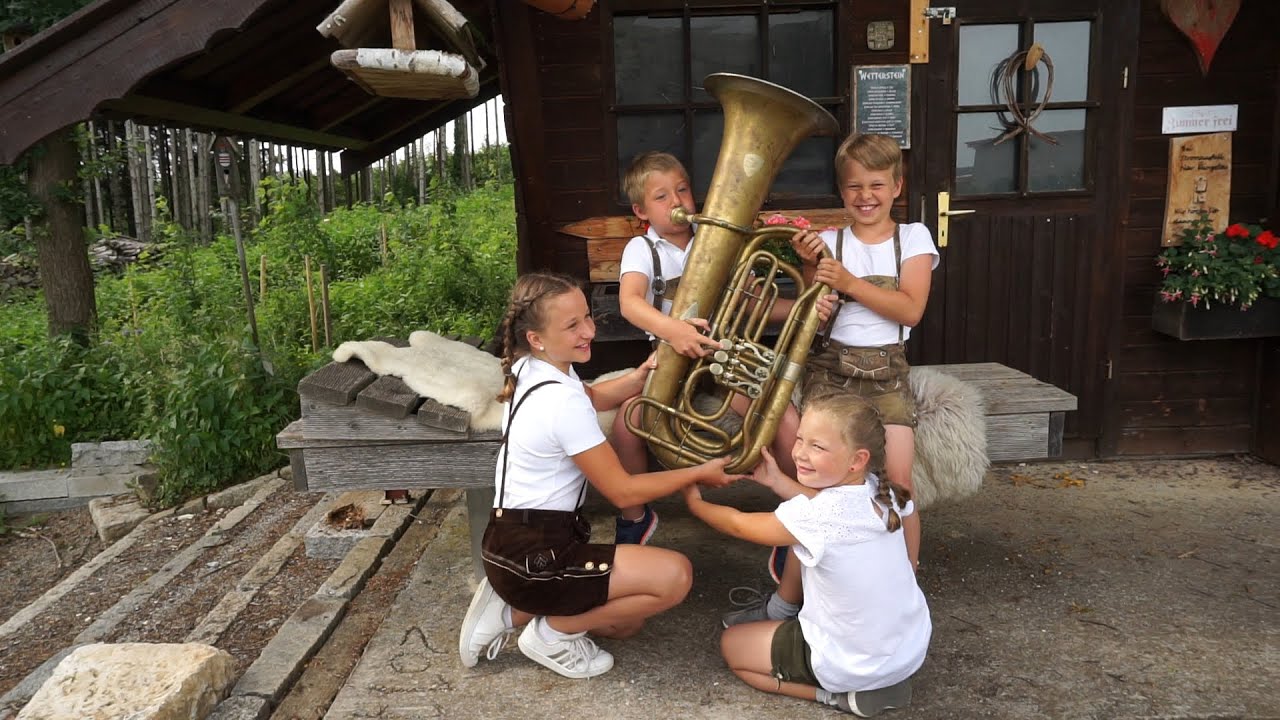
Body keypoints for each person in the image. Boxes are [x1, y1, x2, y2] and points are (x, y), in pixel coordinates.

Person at [459, 271, 743, 680]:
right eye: (572, 325)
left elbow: (594, 396)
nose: (589, 331)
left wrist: (643, 374)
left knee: (624, 625)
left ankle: (509, 608)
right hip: (538, 559)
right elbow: (623, 490)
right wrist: (698, 473)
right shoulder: (560, 402)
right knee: (675, 577)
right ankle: (550, 634)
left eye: (587, 317)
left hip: (513, 548)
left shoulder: (536, 368)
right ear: (537, 337)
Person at [683, 393, 930, 717]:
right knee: (808, 544)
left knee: (732, 646)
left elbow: (740, 525)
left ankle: (838, 698)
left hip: (853, 663)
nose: (799, 452)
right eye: (800, 439)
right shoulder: (881, 490)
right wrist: (777, 481)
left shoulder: (817, 517)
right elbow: (822, 509)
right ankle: (873, 677)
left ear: (856, 460)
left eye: (818, 447)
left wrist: (695, 503)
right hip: (909, 649)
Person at [610, 151, 802, 544]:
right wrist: (674, 330)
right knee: (626, 425)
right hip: (670, 368)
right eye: (661, 196)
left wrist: (805, 307)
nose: (677, 201)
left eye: (682, 190)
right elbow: (630, 303)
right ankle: (635, 515)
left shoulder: (720, 242)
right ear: (641, 210)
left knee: (782, 417)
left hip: (724, 363)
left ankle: (798, 514)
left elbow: (753, 302)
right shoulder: (642, 250)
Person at [787, 132, 938, 571]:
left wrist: (850, 283)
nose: (865, 195)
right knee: (824, 487)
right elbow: (812, 318)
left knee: (900, 482)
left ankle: (905, 579)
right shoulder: (829, 242)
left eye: (876, 184)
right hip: (830, 371)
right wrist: (812, 276)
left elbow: (910, 311)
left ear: (897, 187)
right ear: (841, 191)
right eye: (854, 186)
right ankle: (805, 580)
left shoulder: (913, 238)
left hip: (887, 374)